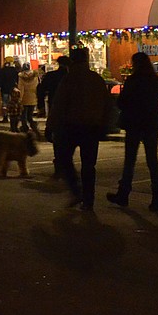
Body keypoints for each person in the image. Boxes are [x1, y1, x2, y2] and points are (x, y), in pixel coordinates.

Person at [46, 48, 113, 210]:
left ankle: (77, 191)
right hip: (91, 127)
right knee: (89, 165)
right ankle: (88, 199)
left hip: (70, 126)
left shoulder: (69, 79)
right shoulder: (95, 79)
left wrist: (50, 125)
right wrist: (105, 124)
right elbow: (107, 104)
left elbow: (59, 104)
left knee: (64, 159)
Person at [107, 52, 158, 211]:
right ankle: (157, 197)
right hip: (151, 123)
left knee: (130, 161)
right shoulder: (155, 81)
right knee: (152, 160)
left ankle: (123, 194)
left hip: (134, 123)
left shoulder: (133, 80)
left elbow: (123, 102)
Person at [16, 63, 39, 132]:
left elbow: (21, 88)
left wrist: (20, 98)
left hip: (24, 98)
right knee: (30, 115)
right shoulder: (35, 76)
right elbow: (37, 87)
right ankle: (34, 127)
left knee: (23, 115)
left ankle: (25, 128)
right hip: (33, 97)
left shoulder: (21, 77)